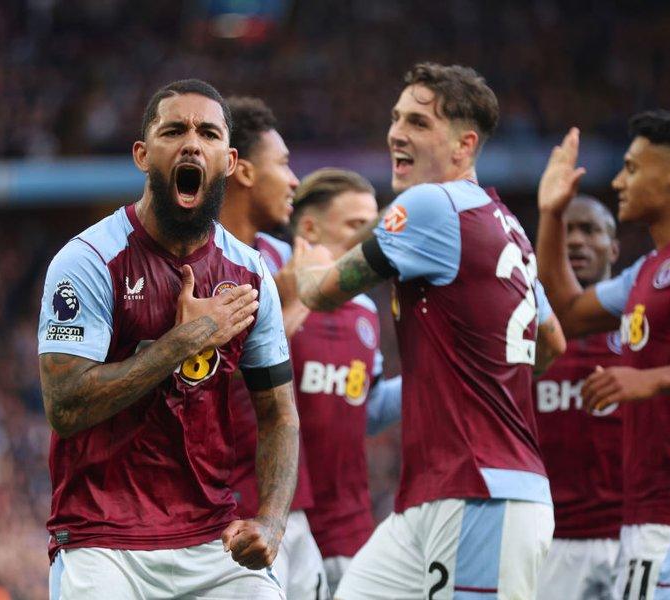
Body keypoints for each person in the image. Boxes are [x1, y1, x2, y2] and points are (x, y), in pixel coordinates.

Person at [293, 62, 566, 599]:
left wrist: (306, 263)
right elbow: (550, 344)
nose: (397, 132)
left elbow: (321, 292)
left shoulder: (431, 203)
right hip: (433, 496)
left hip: (481, 494)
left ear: (465, 145)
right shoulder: (507, 227)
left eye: (418, 122)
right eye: (396, 118)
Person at [37, 79, 298, 599]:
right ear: (142, 154)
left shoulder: (249, 274)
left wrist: (270, 522)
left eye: (208, 134)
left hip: (211, 538)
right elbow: (65, 406)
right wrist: (184, 342)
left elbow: (279, 414)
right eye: (174, 130)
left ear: (229, 161)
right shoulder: (89, 261)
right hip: (102, 538)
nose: (191, 144)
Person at [536, 111, 670, 599]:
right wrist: (551, 214)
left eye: (632, 168)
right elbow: (568, 310)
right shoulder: (649, 270)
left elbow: (649, 379)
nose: (620, 181)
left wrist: (652, 379)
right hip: (647, 515)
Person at [218, 96, 328, 599]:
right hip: (229, 517)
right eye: (282, 164)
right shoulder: (197, 264)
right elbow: (209, 378)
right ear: (242, 171)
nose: (294, 181)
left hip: (288, 506)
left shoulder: (284, 257)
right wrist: (293, 301)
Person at [288, 167, 402, 595]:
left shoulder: (365, 312)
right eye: (357, 225)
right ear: (310, 229)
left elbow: (366, 410)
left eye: (375, 226)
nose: (372, 238)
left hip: (349, 524)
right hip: (280, 521)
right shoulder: (274, 299)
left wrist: (429, 379)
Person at [533, 196, 624, 600]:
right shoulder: (522, 331)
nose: (574, 241)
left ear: (614, 249)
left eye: (589, 230)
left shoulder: (645, 326)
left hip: (632, 534)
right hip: (548, 540)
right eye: (566, 231)